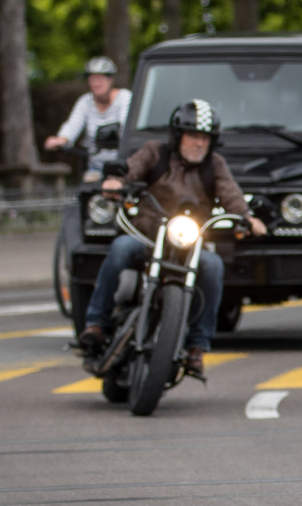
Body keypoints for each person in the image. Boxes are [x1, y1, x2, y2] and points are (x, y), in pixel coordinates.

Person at [76, 100, 249, 379]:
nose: (199, 144)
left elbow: (231, 194)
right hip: (146, 237)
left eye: (205, 138)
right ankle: (96, 322)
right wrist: (116, 182)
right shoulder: (155, 153)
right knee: (119, 248)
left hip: (188, 247)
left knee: (215, 266)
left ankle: (197, 346)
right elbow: (131, 169)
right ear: (178, 136)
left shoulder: (214, 165)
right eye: (193, 136)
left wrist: (248, 217)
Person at [45, 57, 131, 165]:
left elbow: (127, 124)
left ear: (111, 80)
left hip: (122, 164)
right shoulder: (85, 101)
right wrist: (62, 139)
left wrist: (116, 133)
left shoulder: (125, 97)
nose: (96, 83)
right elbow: (73, 124)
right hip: (94, 164)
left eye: (100, 79)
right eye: (92, 79)